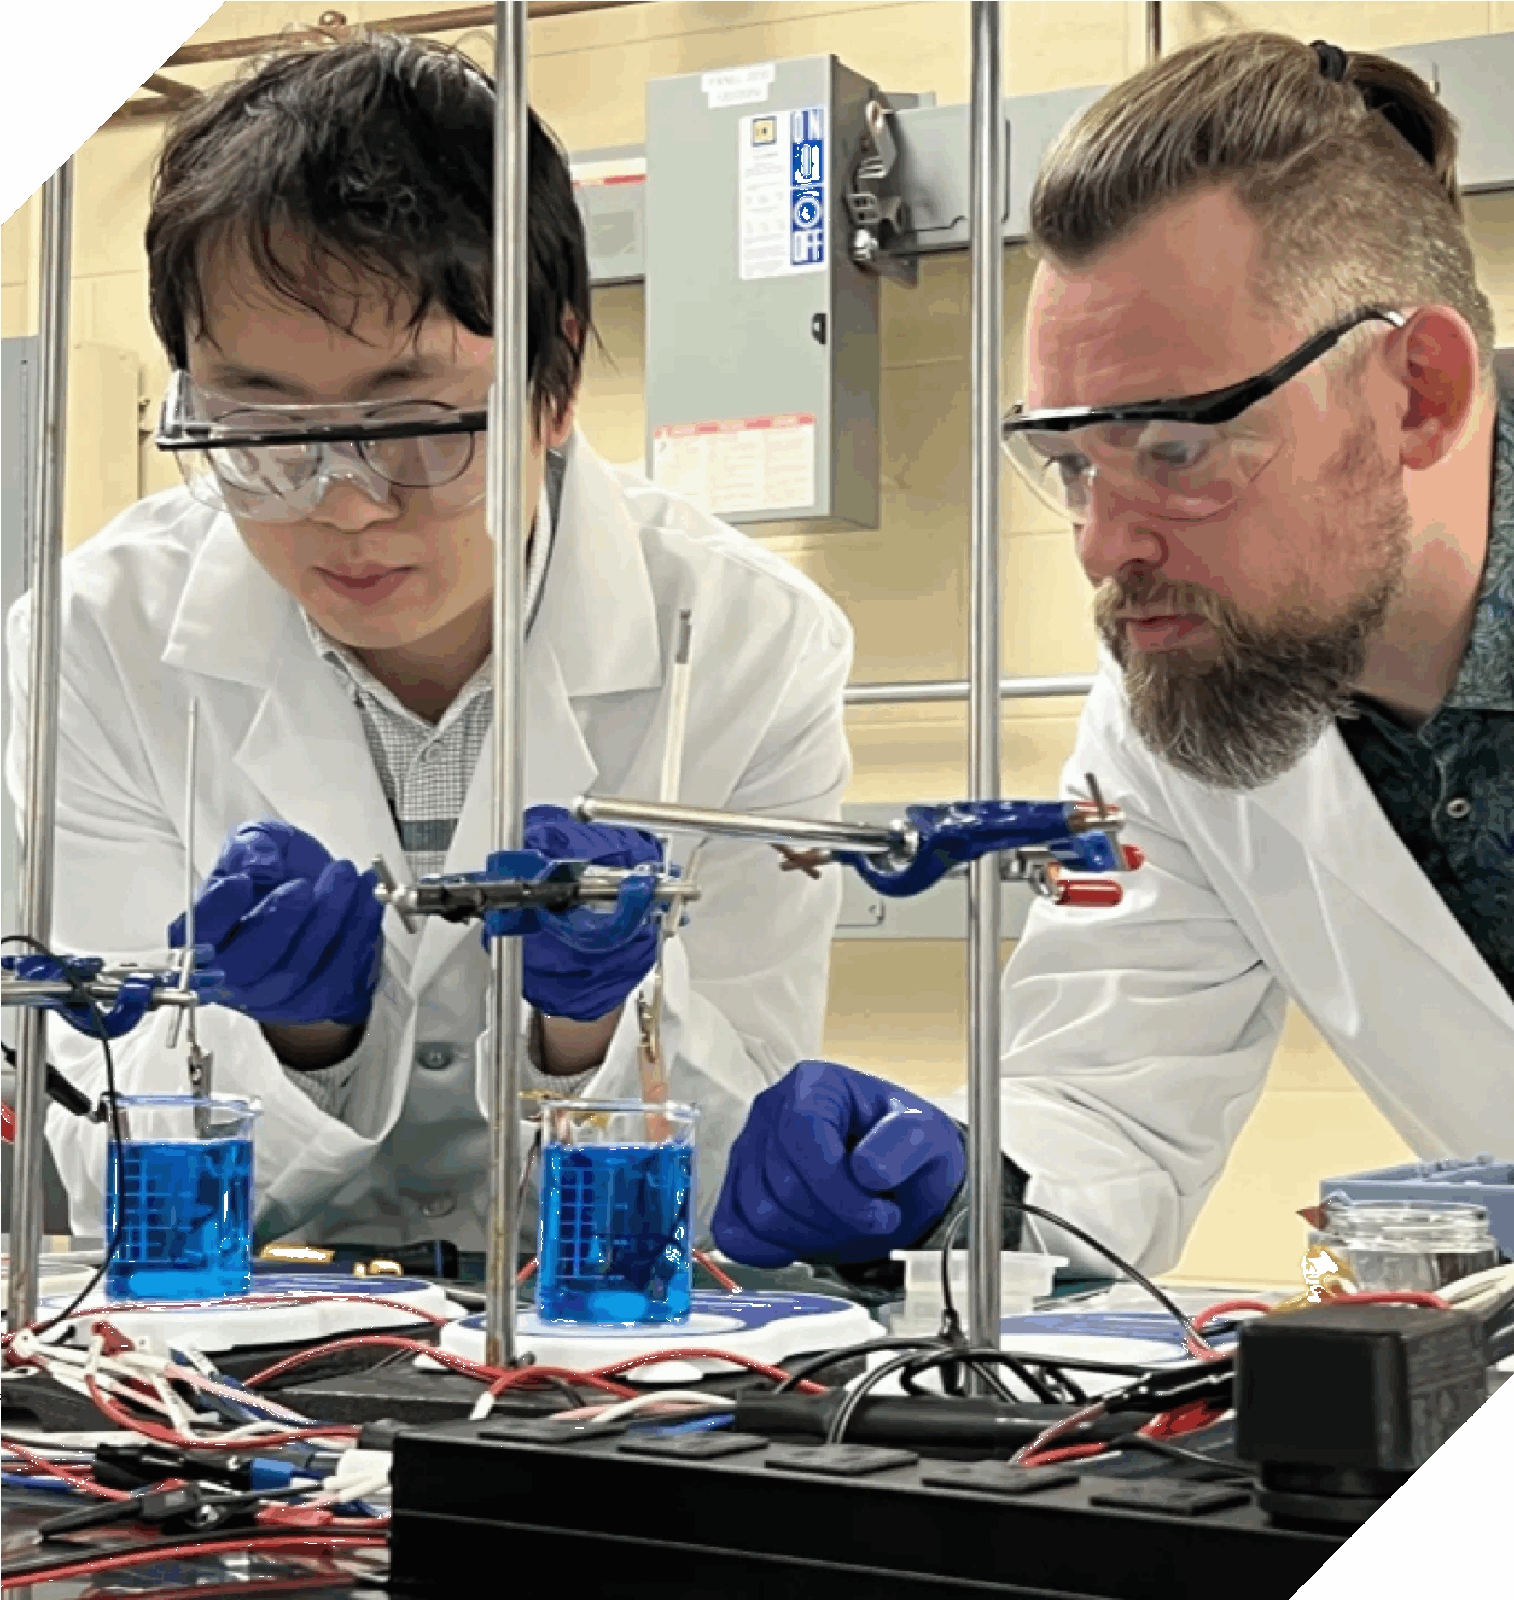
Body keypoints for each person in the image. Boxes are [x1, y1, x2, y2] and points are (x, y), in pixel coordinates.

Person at [4, 33, 854, 1254]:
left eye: (413, 423)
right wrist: (303, 1040)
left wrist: (589, 1031)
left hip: (598, 1358)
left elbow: (739, 1166)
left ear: (553, 384)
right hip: (247, 1360)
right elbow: (100, 1157)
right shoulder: (94, 641)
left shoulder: (742, 645)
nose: (344, 502)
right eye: (258, 427)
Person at [712, 31, 1514, 1284]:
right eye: (1074, 462)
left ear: (1415, 392)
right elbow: (1114, 1104)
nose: (1101, 546)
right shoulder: (1188, 696)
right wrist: (957, 1189)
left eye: (1175, 452)